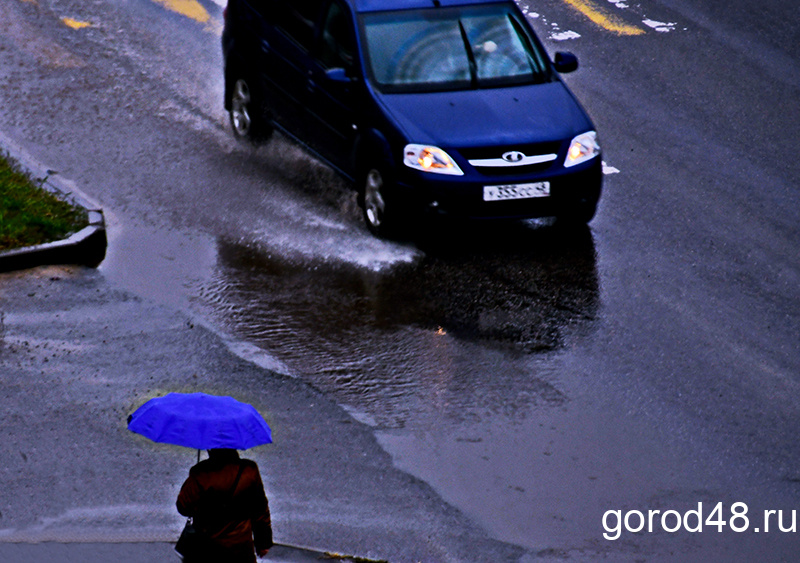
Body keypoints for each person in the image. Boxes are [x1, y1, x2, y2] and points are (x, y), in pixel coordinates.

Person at [177, 448, 273, 562]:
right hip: (241, 549)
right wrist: (263, 543)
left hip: (207, 549)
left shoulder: (201, 473)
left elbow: (183, 507)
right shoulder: (249, 470)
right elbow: (260, 510)